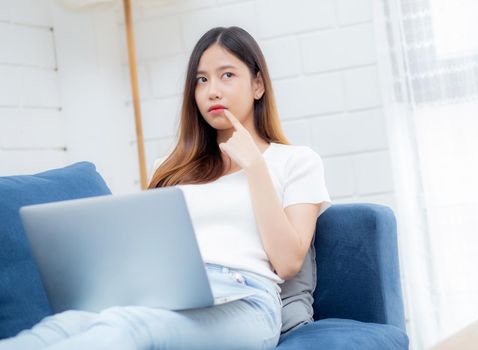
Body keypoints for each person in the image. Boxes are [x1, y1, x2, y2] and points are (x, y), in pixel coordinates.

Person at [0, 26, 331, 350]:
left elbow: (288, 262)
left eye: (227, 75)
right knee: (64, 324)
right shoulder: (172, 167)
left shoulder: (296, 161)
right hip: (168, 296)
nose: (212, 91)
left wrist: (255, 167)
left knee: (130, 327)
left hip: (247, 302)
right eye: (202, 80)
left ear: (258, 84)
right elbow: (148, 252)